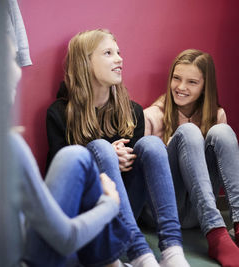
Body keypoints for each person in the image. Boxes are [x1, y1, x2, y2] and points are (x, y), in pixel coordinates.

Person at [46, 29, 189, 267]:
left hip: (125, 210)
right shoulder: (59, 114)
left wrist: (121, 160)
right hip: (87, 215)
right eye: (108, 53)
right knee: (100, 148)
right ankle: (139, 253)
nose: (119, 58)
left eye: (119, 52)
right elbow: (60, 178)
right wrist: (104, 157)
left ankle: (173, 251)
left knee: (152, 144)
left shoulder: (132, 111)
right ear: (85, 63)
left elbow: (133, 176)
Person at [143, 49, 239, 267]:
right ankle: (216, 236)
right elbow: (143, 178)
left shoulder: (216, 115)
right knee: (188, 132)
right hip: (162, 211)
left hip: (198, 212)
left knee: (222, 131)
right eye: (176, 78)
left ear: (205, 86)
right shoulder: (151, 115)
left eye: (192, 82)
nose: (181, 87)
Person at [6, 37, 131, 267]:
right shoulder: (10, 144)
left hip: (18, 244)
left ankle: (113, 263)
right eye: (11, 60)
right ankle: (115, 262)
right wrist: (110, 203)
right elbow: (65, 238)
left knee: (75, 156)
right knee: (77, 156)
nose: (19, 70)